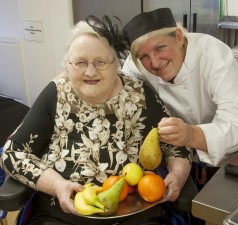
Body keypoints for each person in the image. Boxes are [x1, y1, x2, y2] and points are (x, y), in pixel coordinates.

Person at [0, 15, 192, 225]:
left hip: (133, 213)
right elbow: (13, 152)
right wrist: (57, 185)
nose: (90, 71)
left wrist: (178, 173)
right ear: (67, 65)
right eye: (80, 62)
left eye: (101, 62)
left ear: (115, 65)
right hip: (61, 215)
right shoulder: (56, 94)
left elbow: (176, 145)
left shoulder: (139, 95)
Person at [121, 8, 238, 171]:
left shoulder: (212, 55)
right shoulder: (137, 66)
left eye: (160, 48)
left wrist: (191, 135)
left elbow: (237, 125)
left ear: (179, 37)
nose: (154, 62)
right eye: (143, 56)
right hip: (189, 131)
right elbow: (118, 87)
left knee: (235, 175)